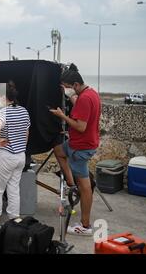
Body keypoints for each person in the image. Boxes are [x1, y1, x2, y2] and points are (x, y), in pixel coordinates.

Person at [50, 63, 101, 236]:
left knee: (85, 187)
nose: (65, 91)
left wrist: (62, 116)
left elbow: (80, 126)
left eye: (66, 87)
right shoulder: (91, 93)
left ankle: (85, 225)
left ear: (76, 85)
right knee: (58, 150)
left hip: (81, 148)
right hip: (76, 144)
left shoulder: (85, 99)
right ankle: (71, 183)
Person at [0, 81, 31, 229]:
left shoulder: (3, 112)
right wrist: (21, 146)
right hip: (20, 156)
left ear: (3, 96)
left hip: (6, 155)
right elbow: (26, 131)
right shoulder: (23, 110)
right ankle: (14, 220)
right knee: (14, 188)